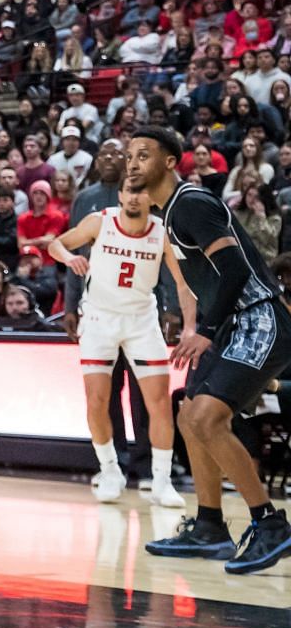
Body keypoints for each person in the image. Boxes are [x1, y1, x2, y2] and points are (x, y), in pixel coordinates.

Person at [127, 126, 291, 573]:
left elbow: (236, 268)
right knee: (188, 414)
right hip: (231, 327)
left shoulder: (191, 204)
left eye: (144, 154)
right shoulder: (170, 215)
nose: (133, 162)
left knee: (206, 418)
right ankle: (210, 526)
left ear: (168, 162)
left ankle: (269, 524)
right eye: (129, 157)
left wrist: (206, 328)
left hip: (259, 318)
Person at [45, 187, 189, 508]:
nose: (135, 198)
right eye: (129, 192)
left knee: (159, 403)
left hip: (141, 319)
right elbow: (56, 244)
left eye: (141, 193)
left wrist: (188, 323)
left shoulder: (162, 233)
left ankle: (162, 480)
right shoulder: (100, 222)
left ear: (151, 199)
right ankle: (110, 469)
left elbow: (182, 281)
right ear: (120, 196)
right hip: (99, 318)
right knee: (97, 399)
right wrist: (70, 258)